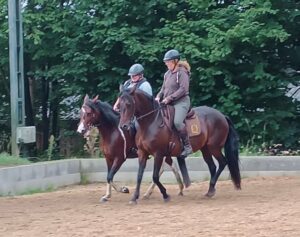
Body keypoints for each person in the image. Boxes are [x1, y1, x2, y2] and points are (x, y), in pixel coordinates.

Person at [155, 49, 193, 158]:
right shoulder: (167, 74)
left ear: (176, 61)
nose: (167, 64)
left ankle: (187, 146)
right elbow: (163, 89)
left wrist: (169, 98)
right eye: (166, 62)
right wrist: (158, 96)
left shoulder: (182, 73)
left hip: (181, 102)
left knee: (177, 122)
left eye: (169, 62)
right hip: (169, 102)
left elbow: (183, 89)